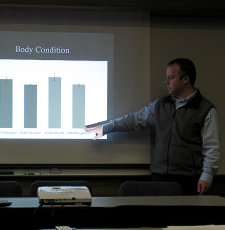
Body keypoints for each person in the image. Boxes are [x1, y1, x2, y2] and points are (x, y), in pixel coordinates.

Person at [85, 58, 220, 195]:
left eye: (171, 78)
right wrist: (105, 128)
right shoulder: (161, 105)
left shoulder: (205, 110)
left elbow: (212, 148)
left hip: (189, 181)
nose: (166, 82)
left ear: (185, 79)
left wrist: (207, 175)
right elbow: (134, 120)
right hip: (159, 177)